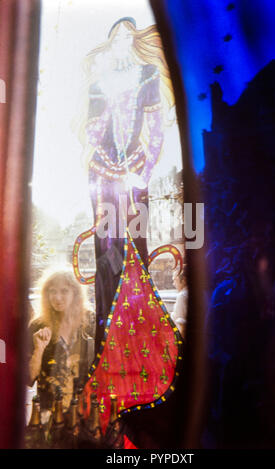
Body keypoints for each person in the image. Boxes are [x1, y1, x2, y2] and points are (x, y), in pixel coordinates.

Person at [78, 17, 175, 349]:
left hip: (134, 171)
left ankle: (139, 334)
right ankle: (108, 333)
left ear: (134, 39)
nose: (122, 39)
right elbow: (91, 134)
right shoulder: (97, 85)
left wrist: (145, 172)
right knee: (107, 246)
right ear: (109, 42)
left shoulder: (147, 73)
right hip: (102, 172)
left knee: (136, 242)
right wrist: (106, 103)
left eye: (127, 33)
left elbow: (157, 127)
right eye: (115, 34)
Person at [28, 270, 95, 416]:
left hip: (85, 413)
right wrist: (39, 350)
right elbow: (29, 378)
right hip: (48, 414)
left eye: (64, 291)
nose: (58, 298)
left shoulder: (91, 322)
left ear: (75, 293)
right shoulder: (37, 326)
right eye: (53, 292)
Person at [171, 265, 188, 338]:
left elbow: (183, 326)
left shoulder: (182, 296)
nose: (173, 284)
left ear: (183, 280)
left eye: (175, 280)